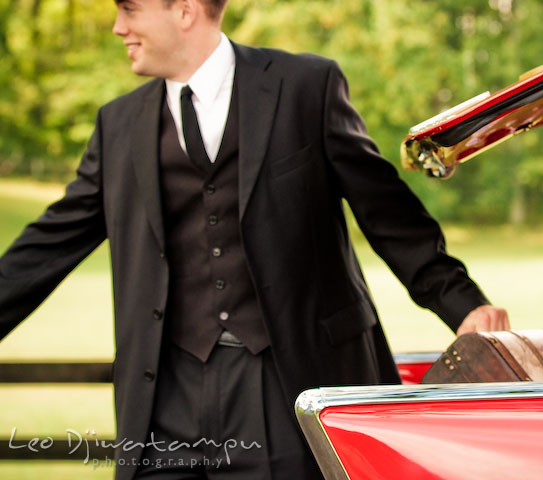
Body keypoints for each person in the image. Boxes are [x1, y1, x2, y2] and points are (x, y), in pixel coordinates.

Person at [0, 0, 509, 478]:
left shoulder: (306, 86)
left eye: (129, 9)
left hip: (284, 380)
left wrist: (460, 302)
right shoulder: (119, 125)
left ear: (183, 10)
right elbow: (50, 242)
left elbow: (386, 211)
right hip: (165, 393)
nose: (118, 27)